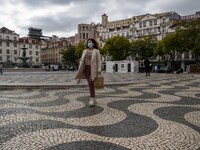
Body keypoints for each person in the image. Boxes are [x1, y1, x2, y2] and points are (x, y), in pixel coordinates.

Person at [75, 38, 102, 106]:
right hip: (86, 68)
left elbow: (99, 61)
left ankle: (92, 99)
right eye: (88, 42)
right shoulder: (84, 51)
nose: (89, 43)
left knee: (91, 82)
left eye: (90, 42)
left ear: (93, 43)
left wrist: (99, 69)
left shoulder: (96, 51)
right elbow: (81, 60)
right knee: (90, 83)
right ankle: (94, 99)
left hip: (93, 69)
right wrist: (80, 68)